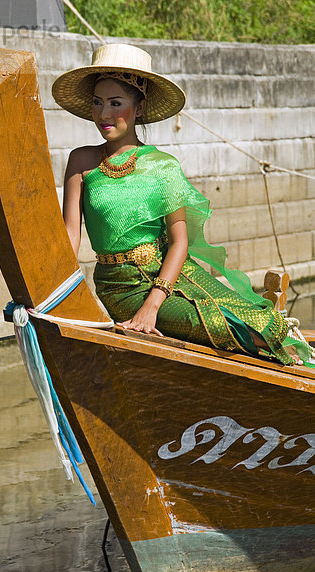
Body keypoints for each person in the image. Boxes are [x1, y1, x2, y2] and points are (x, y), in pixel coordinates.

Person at [51, 43, 314, 368]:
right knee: (229, 327)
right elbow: (69, 238)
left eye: (115, 103)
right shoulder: (81, 161)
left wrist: (154, 306)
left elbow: (179, 243)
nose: (104, 114)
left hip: (171, 275)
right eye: (97, 103)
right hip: (120, 287)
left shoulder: (164, 166)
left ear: (139, 107)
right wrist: (45, 292)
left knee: (266, 324)